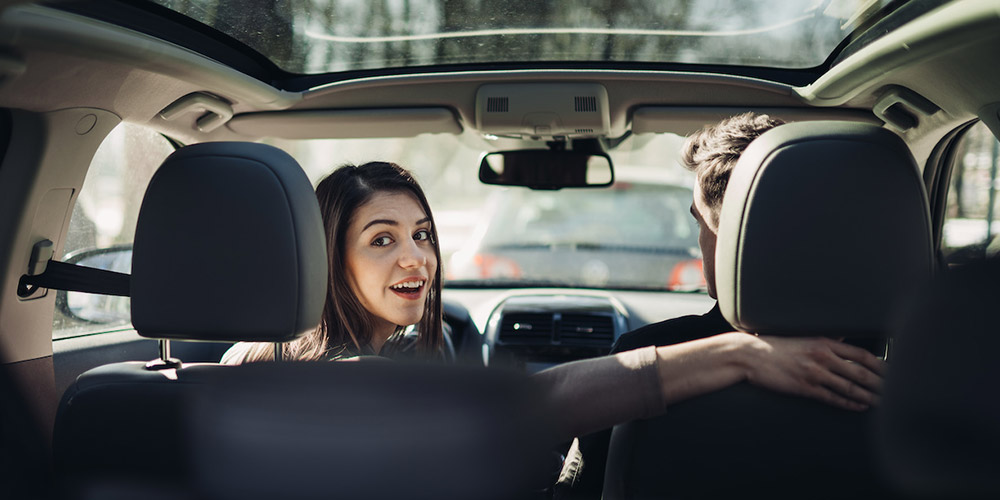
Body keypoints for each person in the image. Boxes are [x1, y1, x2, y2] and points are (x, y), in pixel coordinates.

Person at [223, 158, 882, 443]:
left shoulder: (237, 360)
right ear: (328, 256)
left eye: (422, 234)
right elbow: (536, 405)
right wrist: (739, 354)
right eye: (382, 239)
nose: (415, 258)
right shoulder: (366, 382)